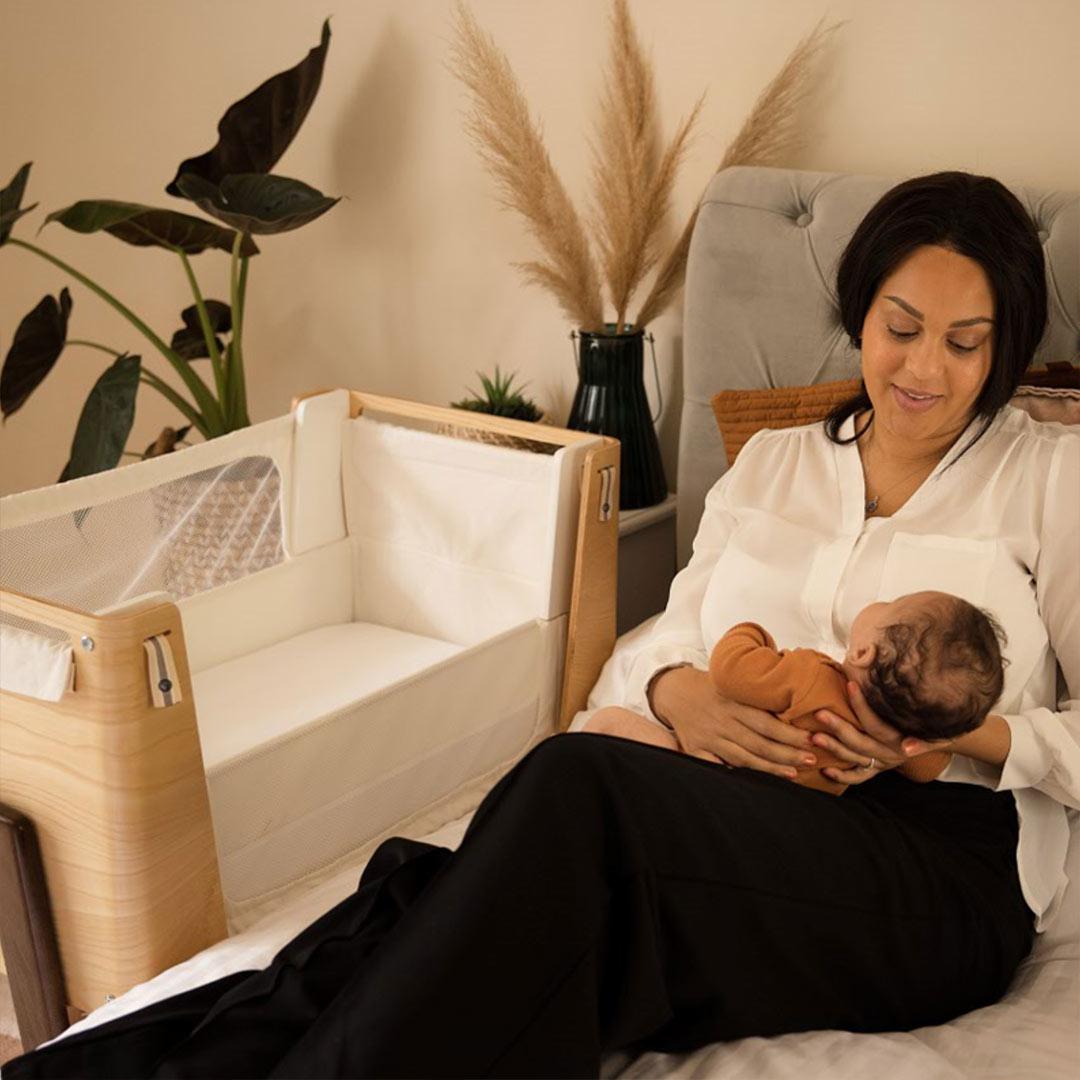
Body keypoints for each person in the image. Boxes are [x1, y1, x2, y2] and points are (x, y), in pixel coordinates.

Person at [7, 171, 1077, 1079]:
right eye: (900, 329)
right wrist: (681, 695)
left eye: (965, 343)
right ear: (860, 315)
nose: (923, 369)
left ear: (1006, 346)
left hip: (931, 869)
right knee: (444, 893)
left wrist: (965, 735)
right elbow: (670, 636)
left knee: (564, 794)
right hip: (734, 807)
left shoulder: (1051, 479)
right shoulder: (776, 464)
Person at [582, 589, 1008, 795]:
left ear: (862, 652)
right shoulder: (898, 742)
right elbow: (926, 768)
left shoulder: (808, 677)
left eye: (891, 604)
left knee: (606, 725)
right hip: (788, 805)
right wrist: (910, 745)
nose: (880, 602)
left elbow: (731, 671)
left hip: (717, 773)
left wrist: (752, 634)